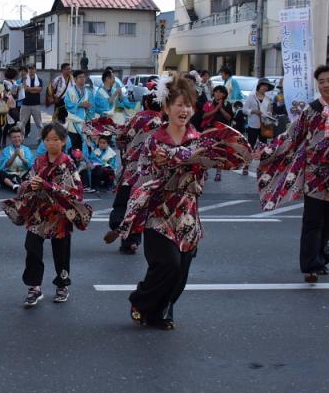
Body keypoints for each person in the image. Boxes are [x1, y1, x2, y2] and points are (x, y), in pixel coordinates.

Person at [108, 77, 250, 329]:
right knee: (167, 264)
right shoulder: (154, 140)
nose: (184, 110)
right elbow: (142, 176)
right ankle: (141, 301)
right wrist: (162, 165)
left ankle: (163, 310)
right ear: (166, 107)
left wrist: (197, 159)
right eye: (179, 104)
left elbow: (212, 167)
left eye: (188, 105)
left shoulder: (200, 141)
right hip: (159, 210)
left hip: (186, 211)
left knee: (181, 271)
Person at [257, 64, 329, 283]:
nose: (325, 85)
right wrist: (265, 152)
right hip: (314, 172)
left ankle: (322, 260)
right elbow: (292, 136)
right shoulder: (311, 110)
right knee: (312, 219)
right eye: (321, 82)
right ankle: (310, 266)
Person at [2, 122, 92, 307]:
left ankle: (62, 285)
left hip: (60, 215)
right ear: (43, 141)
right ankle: (34, 287)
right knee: (32, 248)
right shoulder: (38, 161)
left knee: (61, 252)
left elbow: (75, 193)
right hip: (38, 213)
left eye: (56, 139)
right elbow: (27, 182)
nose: (52, 143)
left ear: (64, 141)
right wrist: (30, 185)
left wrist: (47, 186)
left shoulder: (68, 164)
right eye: (48, 139)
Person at [107, 94, 164, 254]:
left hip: (132, 168)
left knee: (123, 202)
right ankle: (132, 241)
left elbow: (122, 136)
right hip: (149, 171)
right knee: (139, 205)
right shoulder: (163, 124)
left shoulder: (138, 118)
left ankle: (118, 223)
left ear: (145, 102)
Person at [241, 79, 273, 174]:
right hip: (253, 125)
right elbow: (244, 110)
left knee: (264, 147)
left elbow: (269, 112)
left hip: (264, 126)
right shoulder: (251, 97)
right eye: (263, 85)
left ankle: (262, 167)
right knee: (250, 146)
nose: (265, 88)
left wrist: (268, 115)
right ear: (259, 86)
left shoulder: (268, 99)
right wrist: (253, 111)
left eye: (267, 86)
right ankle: (246, 166)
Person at [0, 126, 34, 192]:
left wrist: (22, 158)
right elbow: (6, 165)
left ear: (22, 137)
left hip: (23, 173)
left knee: (31, 173)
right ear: (11, 139)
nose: (17, 139)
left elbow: (30, 165)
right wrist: (14, 155)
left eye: (18, 137)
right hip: (11, 174)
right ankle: (15, 186)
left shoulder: (26, 149)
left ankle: (21, 184)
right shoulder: (6, 150)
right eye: (14, 137)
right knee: (0, 174)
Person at [63, 70, 93, 151]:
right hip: (73, 123)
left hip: (85, 123)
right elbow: (67, 105)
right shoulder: (70, 92)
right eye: (80, 77)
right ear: (75, 79)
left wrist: (89, 116)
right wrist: (80, 104)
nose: (83, 79)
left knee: (87, 147)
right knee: (74, 148)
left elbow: (92, 107)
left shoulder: (88, 92)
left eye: (84, 77)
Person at [18, 64, 44, 140]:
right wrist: (35, 89)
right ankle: (20, 137)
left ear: (35, 70)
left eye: (33, 69)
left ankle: (40, 137)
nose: (31, 70)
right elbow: (25, 89)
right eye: (30, 69)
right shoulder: (24, 79)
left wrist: (30, 89)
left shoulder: (39, 80)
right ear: (28, 70)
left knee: (39, 123)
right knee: (22, 123)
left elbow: (40, 89)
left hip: (36, 104)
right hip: (25, 104)